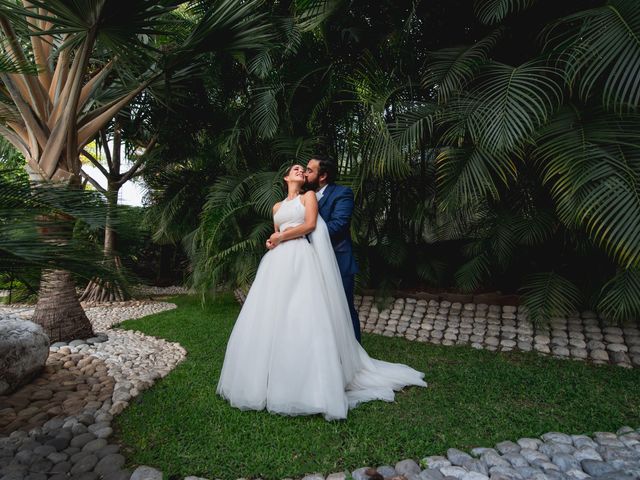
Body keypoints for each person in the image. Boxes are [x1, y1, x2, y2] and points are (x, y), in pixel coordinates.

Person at [216, 165, 426, 420]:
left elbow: (309, 225)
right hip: (276, 262)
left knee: (301, 314)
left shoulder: (309, 197)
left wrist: (282, 237)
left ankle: (309, 382)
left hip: (301, 256)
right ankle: (269, 378)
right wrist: (272, 240)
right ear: (285, 177)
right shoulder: (276, 207)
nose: (300, 171)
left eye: (303, 170)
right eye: (295, 169)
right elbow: (277, 230)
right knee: (272, 314)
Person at [303, 155, 361, 343]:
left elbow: (339, 225)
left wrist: (303, 233)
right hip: (310, 263)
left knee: (344, 308)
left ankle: (355, 356)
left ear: (323, 176)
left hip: (338, 260)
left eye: (310, 170)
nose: (305, 173)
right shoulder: (302, 197)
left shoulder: (342, 193)